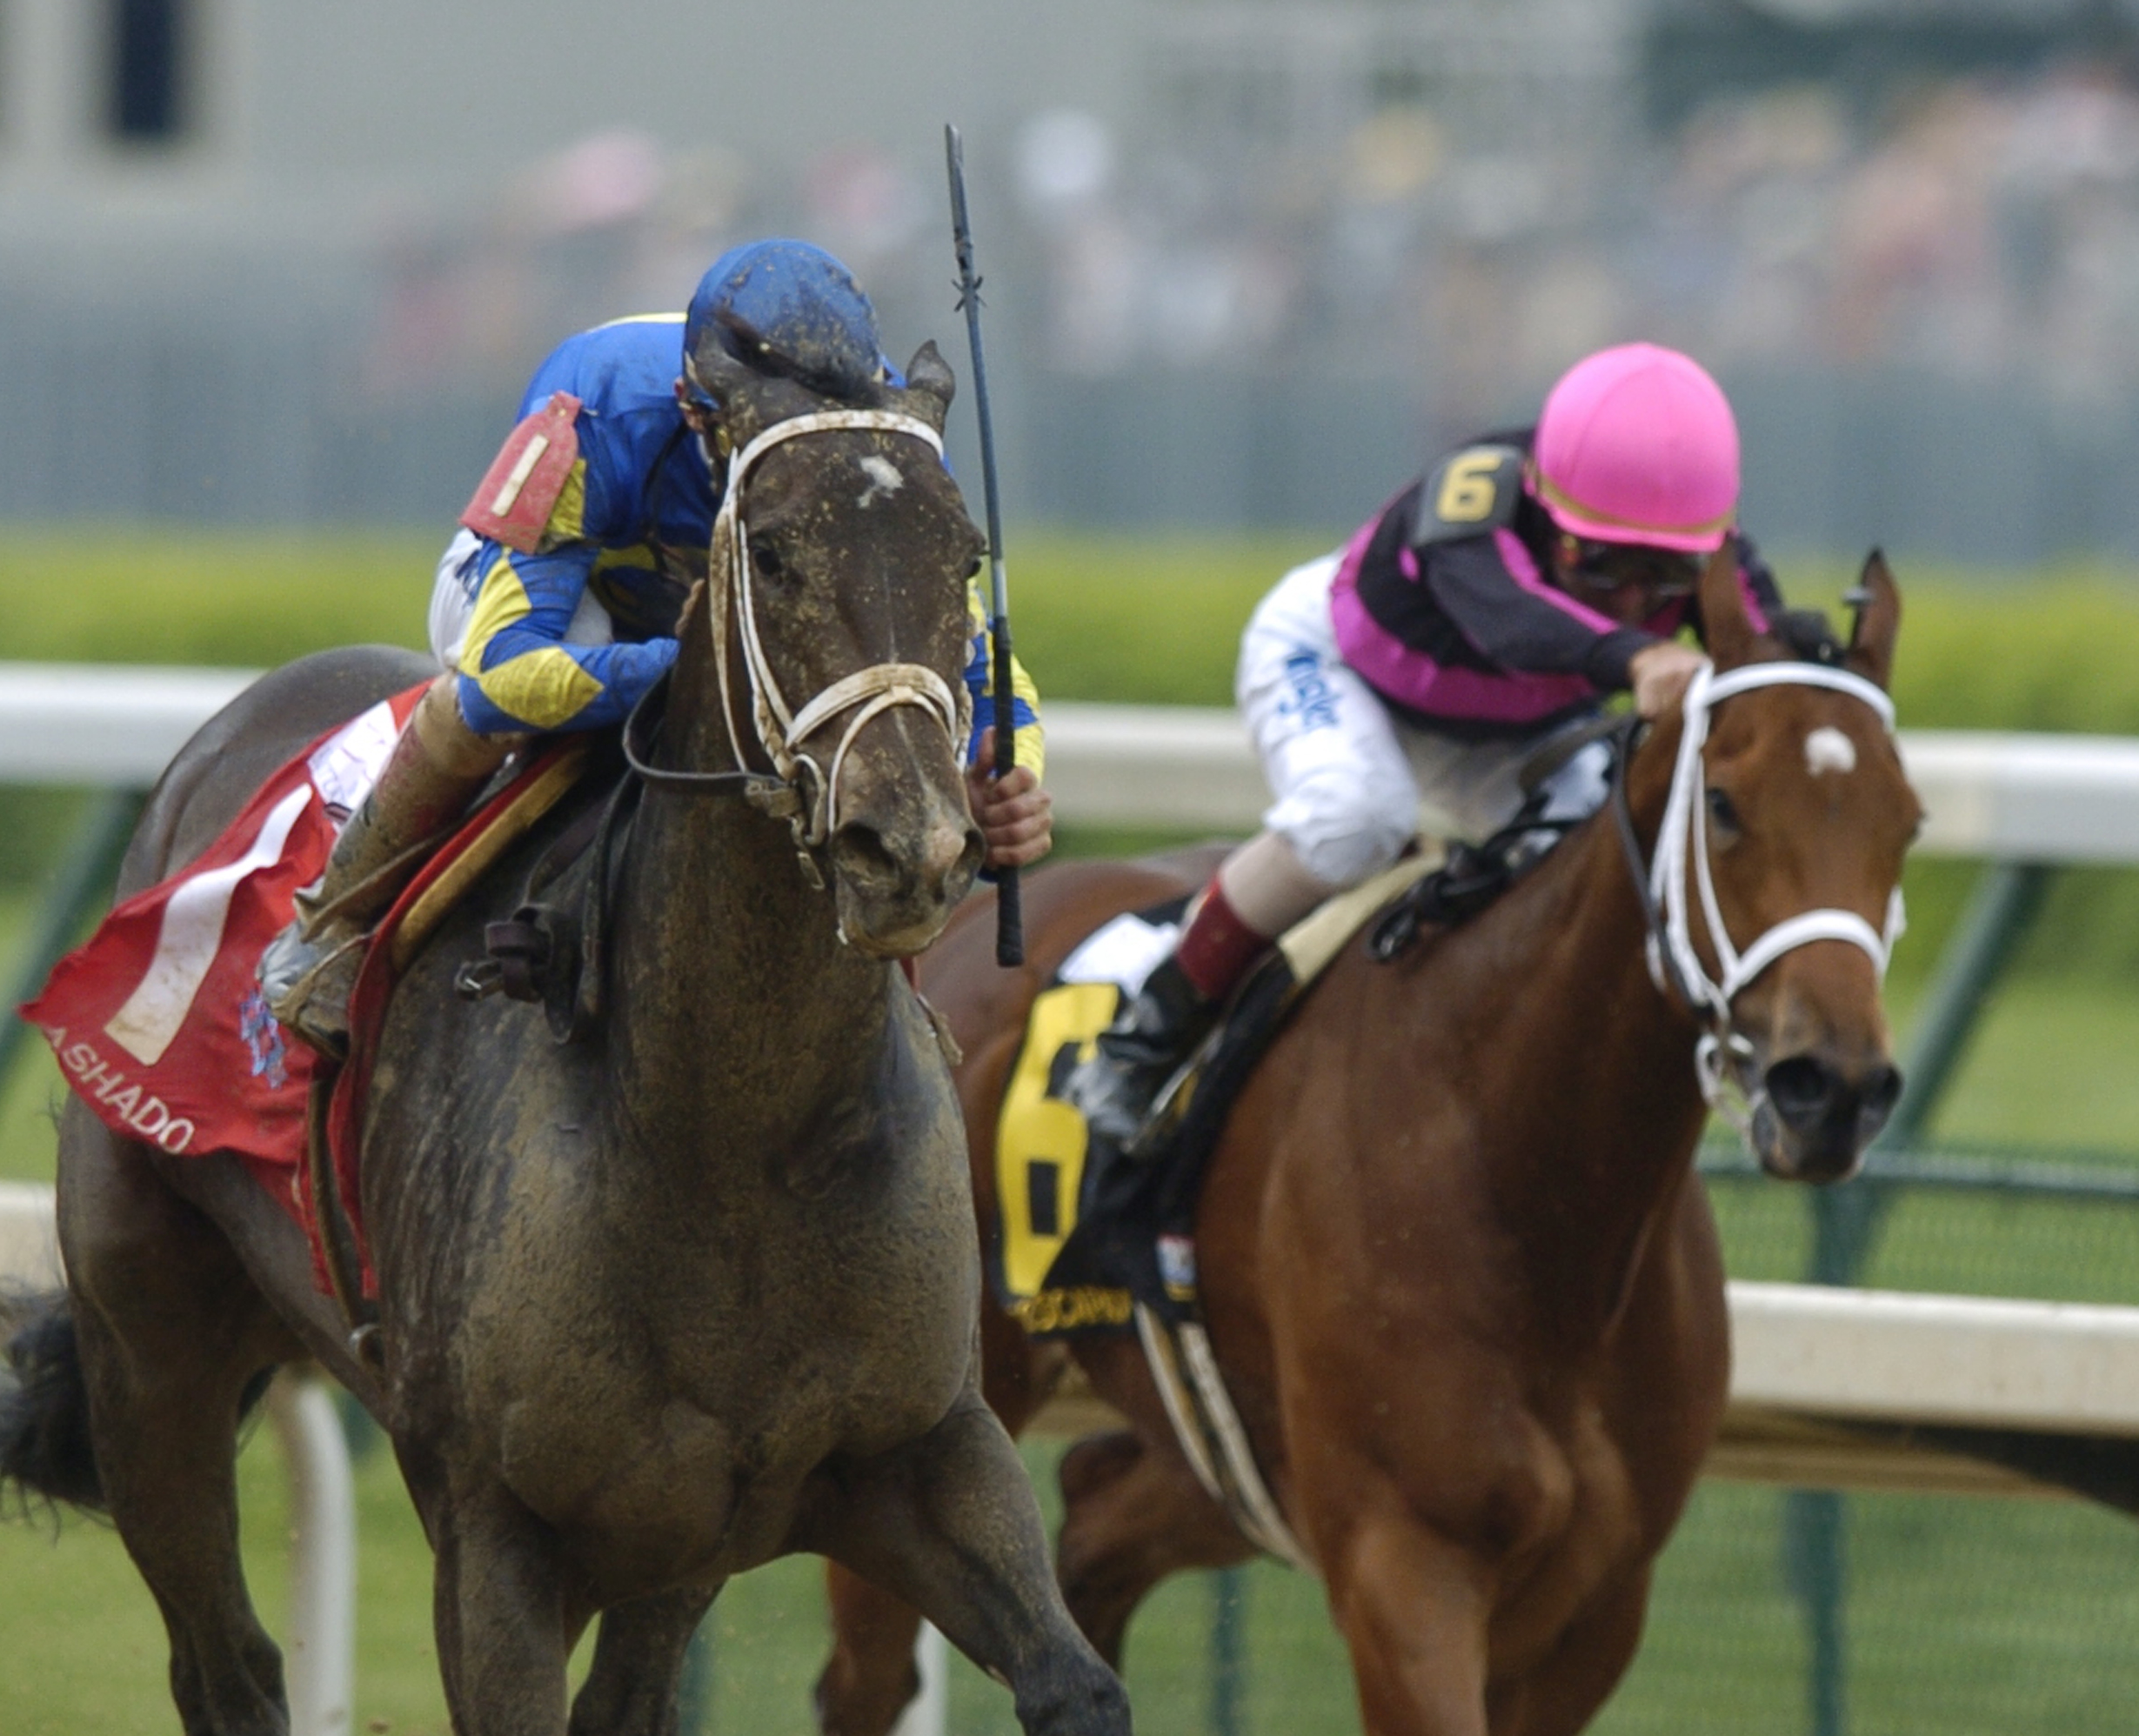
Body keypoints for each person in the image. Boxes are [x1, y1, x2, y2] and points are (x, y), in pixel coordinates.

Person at [262, 239, 1051, 1057]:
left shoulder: (881, 438)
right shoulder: (595, 402)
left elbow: (969, 662)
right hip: (573, 597)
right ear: (691, 406)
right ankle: (335, 920)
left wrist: (1008, 779)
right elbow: (502, 670)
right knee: (505, 692)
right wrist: (697, 672)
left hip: (742, 611)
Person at [1071, 341, 1798, 1146]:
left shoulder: (1713, 550)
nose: (1630, 597)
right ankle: (1146, 1035)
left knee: (1596, 855)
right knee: (1355, 817)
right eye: (1598, 561)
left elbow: (1775, 663)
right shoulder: (1474, 493)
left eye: (1664, 576)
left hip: (1511, 727)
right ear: (1545, 505)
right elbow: (1506, 617)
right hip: (1339, 665)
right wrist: (1638, 657)